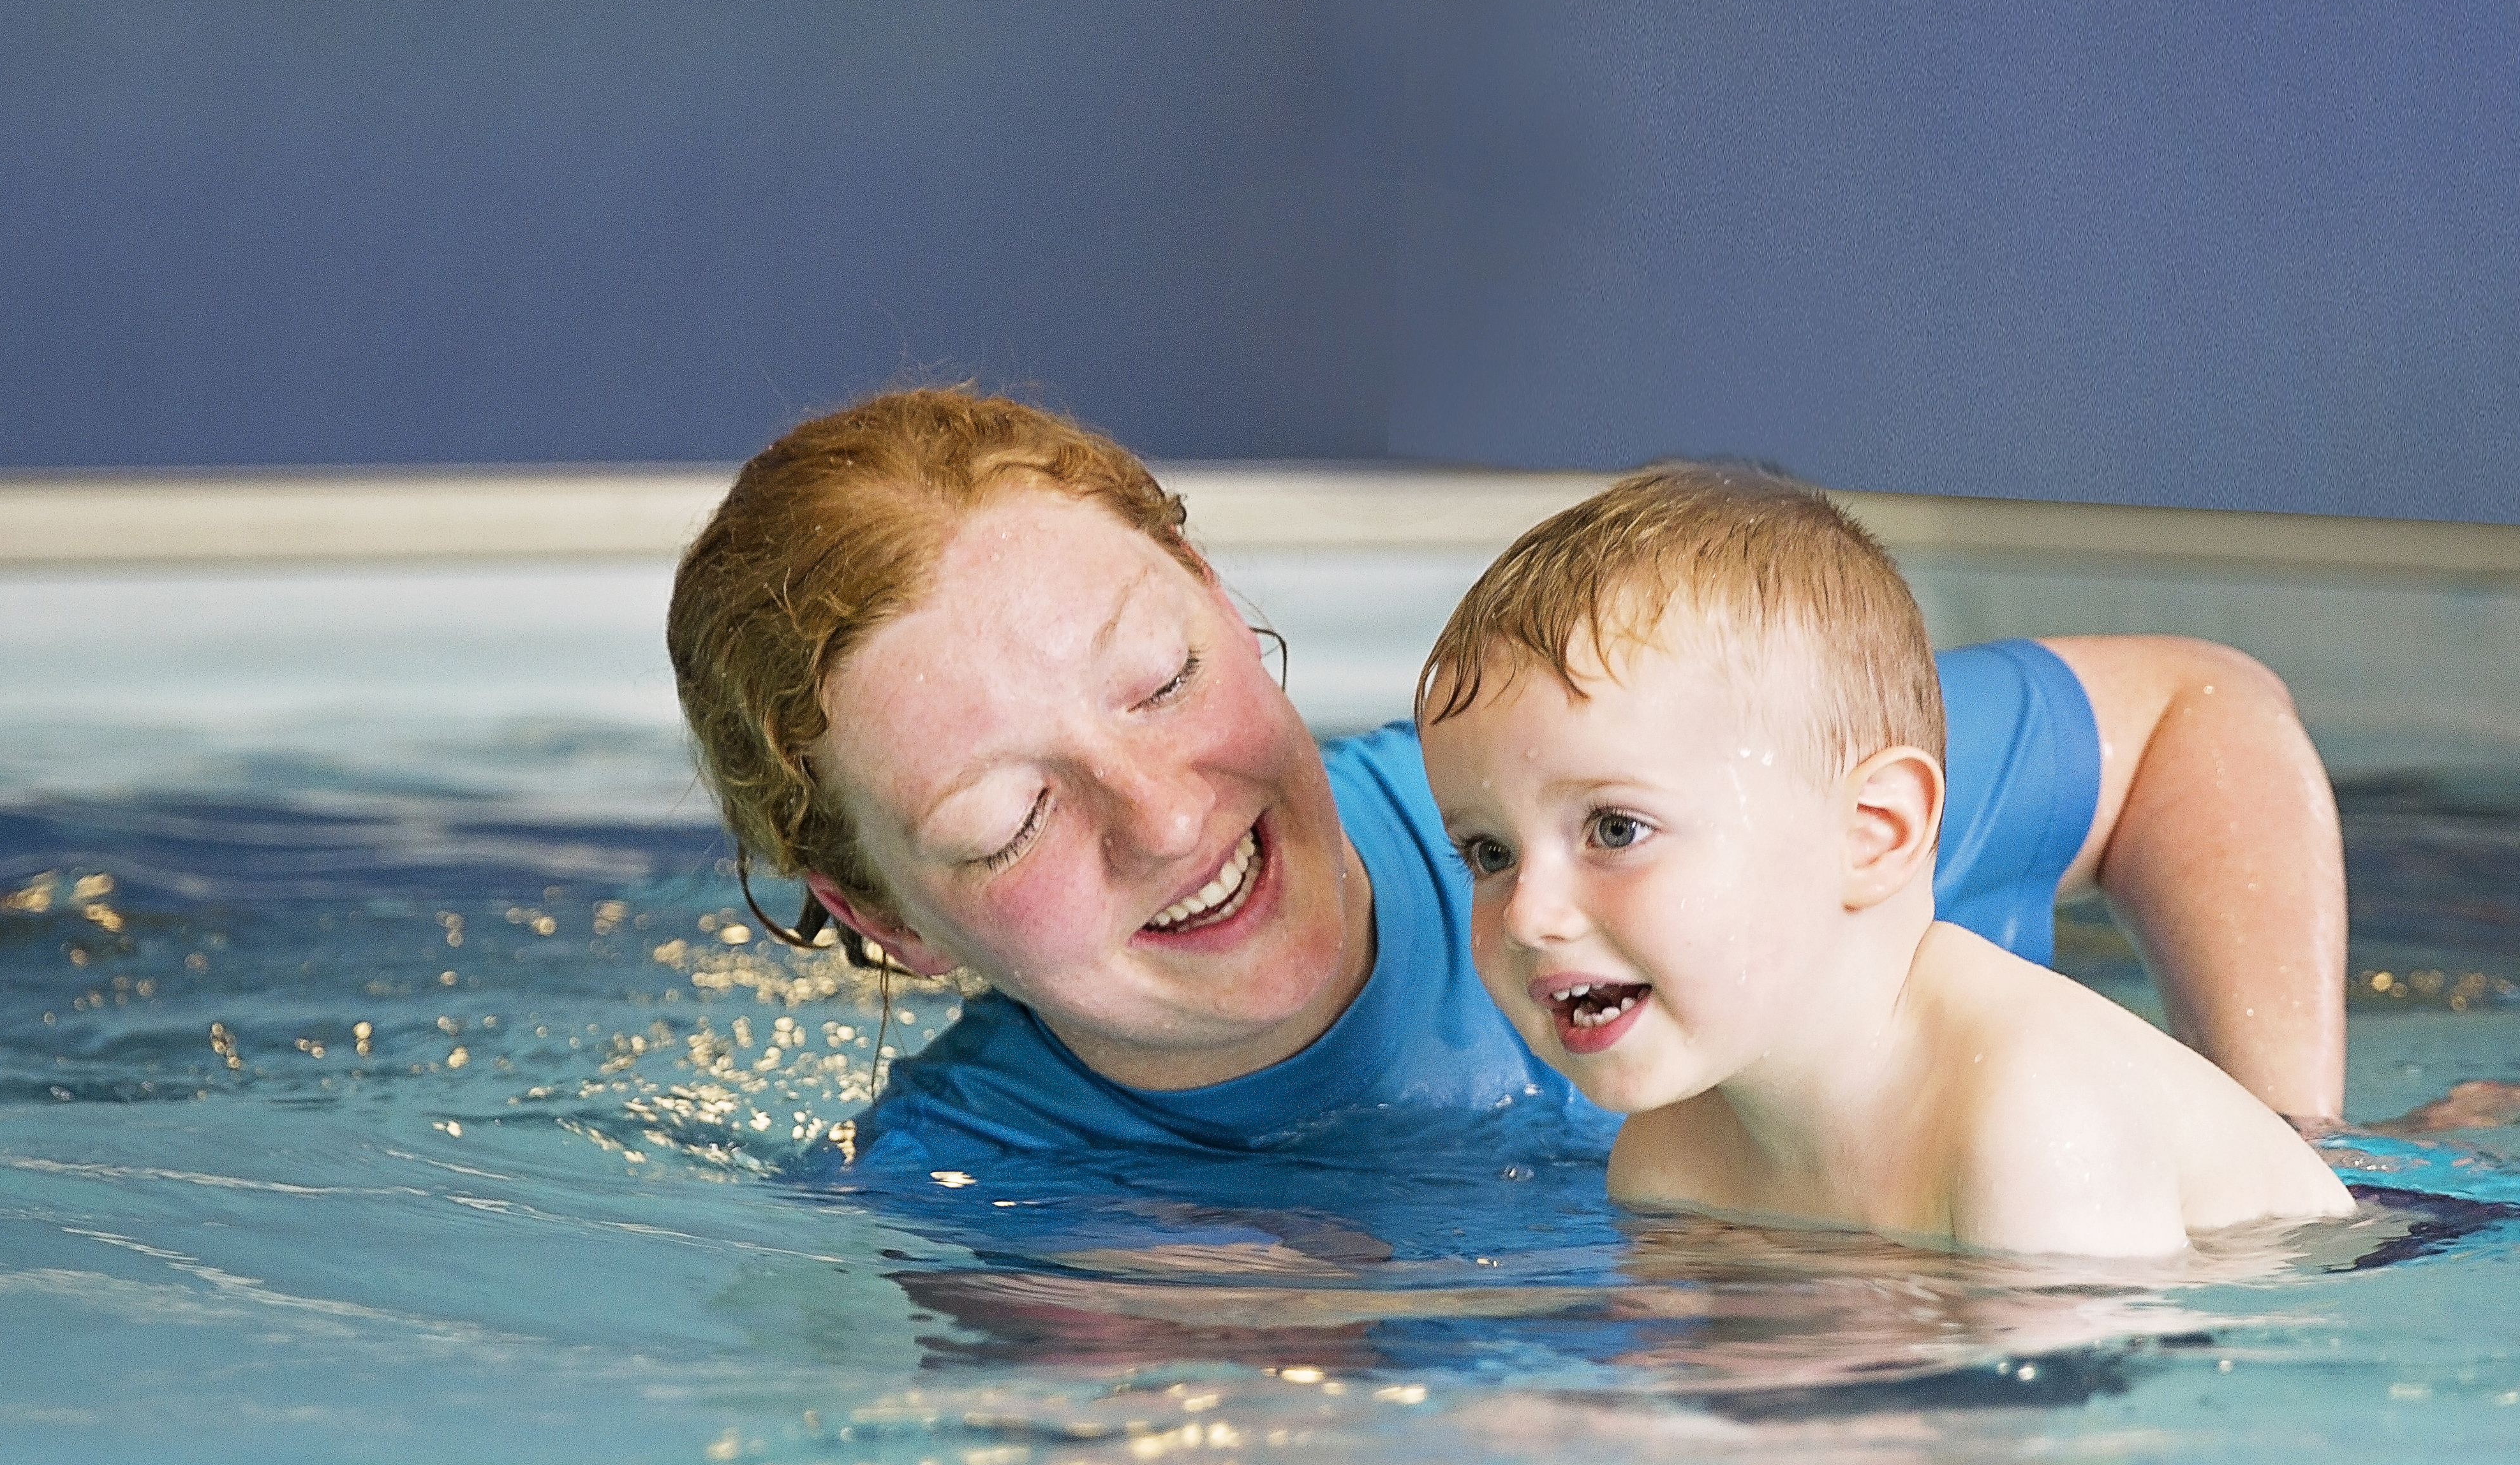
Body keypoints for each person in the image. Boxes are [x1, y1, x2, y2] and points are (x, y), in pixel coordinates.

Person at [665, 388, 2348, 1189]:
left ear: (1223, 595)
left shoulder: (1653, 792)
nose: (1165, 814)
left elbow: (2198, 716)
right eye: (1003, 821)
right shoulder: (991, 1182)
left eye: (1164, 677)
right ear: (886, 920)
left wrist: (2285, 1145)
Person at [1412, 464, 2352, 1253]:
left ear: (1877, 832)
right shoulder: (1670, 1153)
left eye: (1615, 829)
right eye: (1488, 852)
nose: (1530, 913)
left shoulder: (2030, 1122)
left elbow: (2068, 1458)